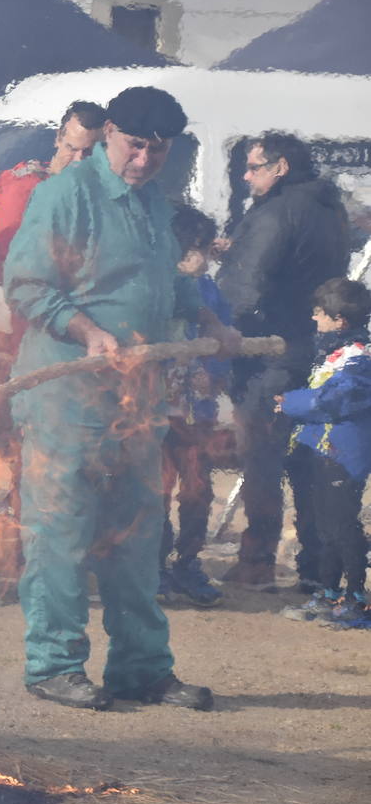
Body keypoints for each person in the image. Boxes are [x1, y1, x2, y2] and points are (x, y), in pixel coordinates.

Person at [3, 86, 240, 711]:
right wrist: (89, 331)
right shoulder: (64, 195)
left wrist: (210, 325)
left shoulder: (154, 204)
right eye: (135, 145)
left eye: (157, 151)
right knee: (61, 535)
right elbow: (25, 285)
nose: (143, 161)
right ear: (110, 132)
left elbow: (168, 288)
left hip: (137, 403)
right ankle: (54, 666)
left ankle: (141, 670)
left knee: (137, 538)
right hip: (66, 399)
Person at [216, 132, 357, 590]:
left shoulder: (275, 212)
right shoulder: (328, 208)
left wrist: (223, 329)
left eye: (255, 167)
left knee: (262, 460)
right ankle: (317, 565)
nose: (246, 175)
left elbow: (245, 287)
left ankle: (256, 560)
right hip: (313, 351)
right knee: (306, 462)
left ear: (280, 168)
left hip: (269, 353)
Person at [277, 278, 371, 628]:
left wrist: (290, 403)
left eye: (319, 313)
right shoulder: (335, 353)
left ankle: (357, 598)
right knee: (326, 527)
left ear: (339, 320)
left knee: (343, 527)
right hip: (325, 449)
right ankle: (330, 593)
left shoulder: (358, 357)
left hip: (344, 455)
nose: (314, 319)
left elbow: (335, 399)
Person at [158, 206, 230, 607]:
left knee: (198, 490)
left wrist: (215, 371)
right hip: (155, 410)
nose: (200, 258)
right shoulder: (156, 287)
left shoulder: (210, 292)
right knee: (156, 490)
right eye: (192, 249)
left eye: (204, 249)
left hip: (197, 412)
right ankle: (154, 566)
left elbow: (225, 335)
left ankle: (188, 561)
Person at [0, 101, 105, 346]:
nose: (78, 160)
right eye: (71, 148)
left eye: (89, 153)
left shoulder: (99, 192)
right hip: (42, 329)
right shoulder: (25, 188)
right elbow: (6, 268)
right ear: (57, 139)